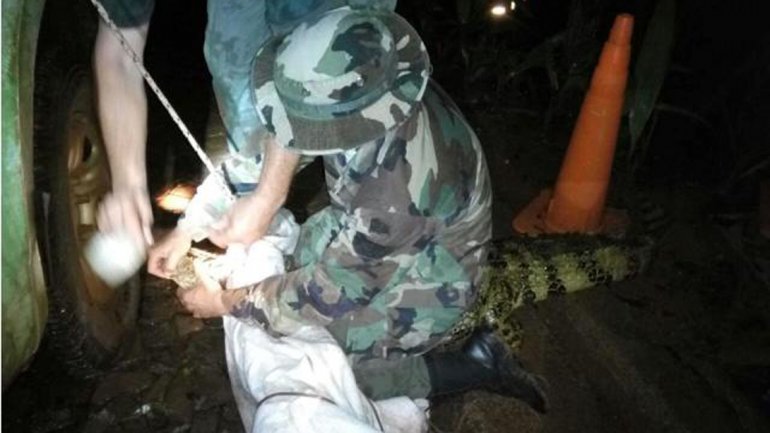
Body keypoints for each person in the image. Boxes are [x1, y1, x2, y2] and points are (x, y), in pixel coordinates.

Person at [147, 6, 549, 412]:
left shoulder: (395, 190)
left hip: (435, 268)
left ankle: (478, 363)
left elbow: (328, 292)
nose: (288, 128)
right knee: (287, 278)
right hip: (373, 226)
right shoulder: (377, 86)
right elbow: (272, 148)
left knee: (332, 365)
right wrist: (189, 226)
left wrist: (224, 303)